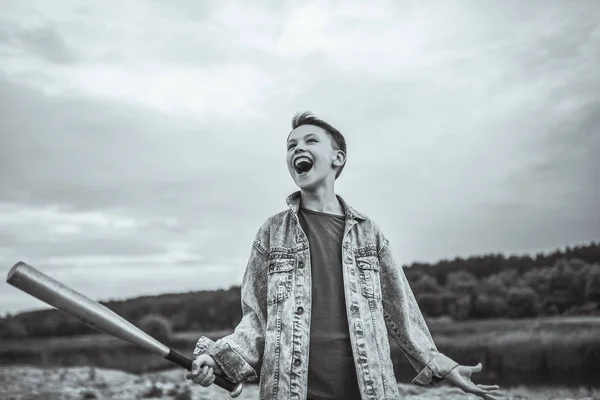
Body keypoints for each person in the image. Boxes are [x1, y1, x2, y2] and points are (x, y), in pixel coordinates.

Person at [185, 112, 504, 399]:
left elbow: (401, 312)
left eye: (310, 140)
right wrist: (217, 359)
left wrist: (442, 366)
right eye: (291, 145)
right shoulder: (271, 233)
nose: (297, 148)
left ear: (338, 158)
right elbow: (256, 320)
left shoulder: (369, 233)